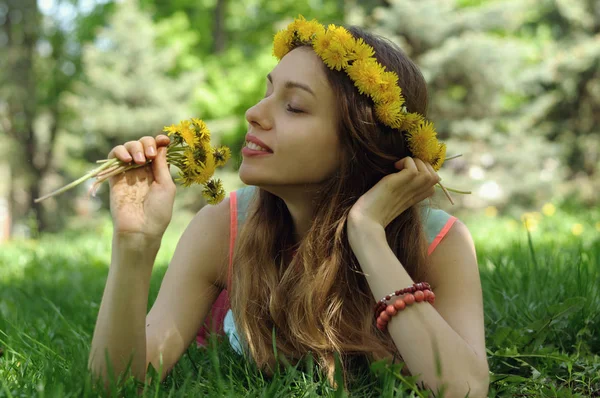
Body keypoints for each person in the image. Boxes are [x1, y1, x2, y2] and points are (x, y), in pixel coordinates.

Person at [88, 17, 489, 397]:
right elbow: (119, 385)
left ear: (359, 144)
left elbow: (464, 389)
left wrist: (367, 232)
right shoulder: (225, 225)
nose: (254, 114)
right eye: (268, 93)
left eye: (294, 106)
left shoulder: (439, 241)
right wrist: (134, 246)